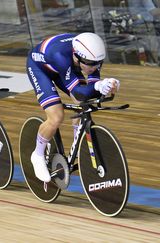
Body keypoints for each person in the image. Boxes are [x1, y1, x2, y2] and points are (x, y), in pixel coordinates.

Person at [26, 32, 120, 182]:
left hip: (65, 68)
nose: (95, 67)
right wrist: (97, 85)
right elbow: (79, 92)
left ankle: (78, 142)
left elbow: (90, 91)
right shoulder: (61, 56)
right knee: (56, 117)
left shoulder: (91, 56)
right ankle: (37, 155)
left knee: (82, 104)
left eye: (99, 63)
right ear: (77, 56)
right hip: (40, 69)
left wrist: (107, 85)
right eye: (90, 64)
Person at [127, 0, 160, 65]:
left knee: (143, 52)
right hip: (145, 27)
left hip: (137, 26)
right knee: (153, 51)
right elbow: (153, 12)